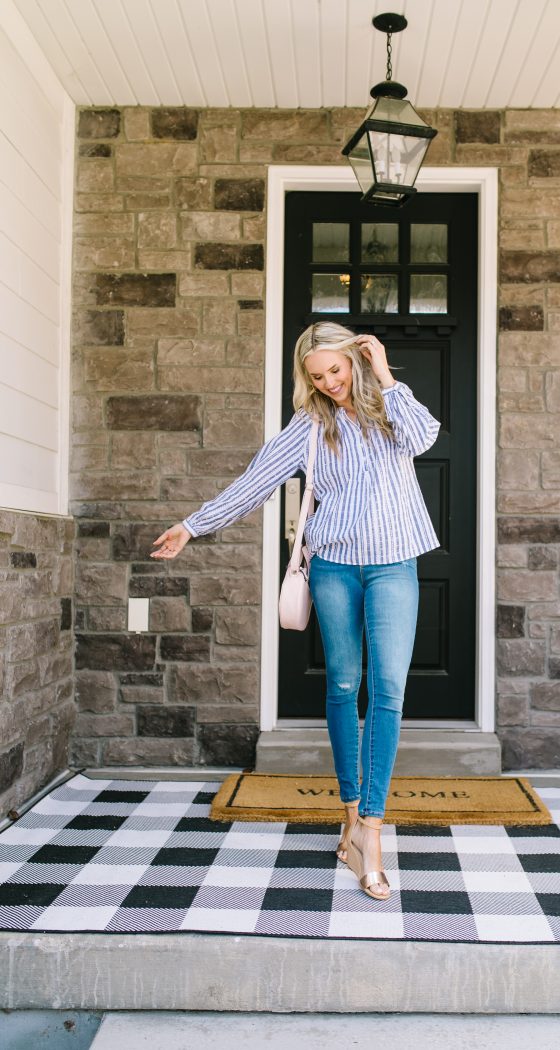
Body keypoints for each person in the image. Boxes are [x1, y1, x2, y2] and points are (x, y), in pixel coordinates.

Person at [151, 321, 440, 902]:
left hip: (394, 565)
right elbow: (255, 481)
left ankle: (373, 833)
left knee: (387, 690)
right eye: (318, 376)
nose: (330, 382)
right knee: (343, 685)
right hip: (333, 567)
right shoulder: (308, 427)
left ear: (354, 362)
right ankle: (351, 815)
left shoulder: (388, 407)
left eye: (337, 370)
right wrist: (192, 525)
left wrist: (383, 373)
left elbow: (424, 437)